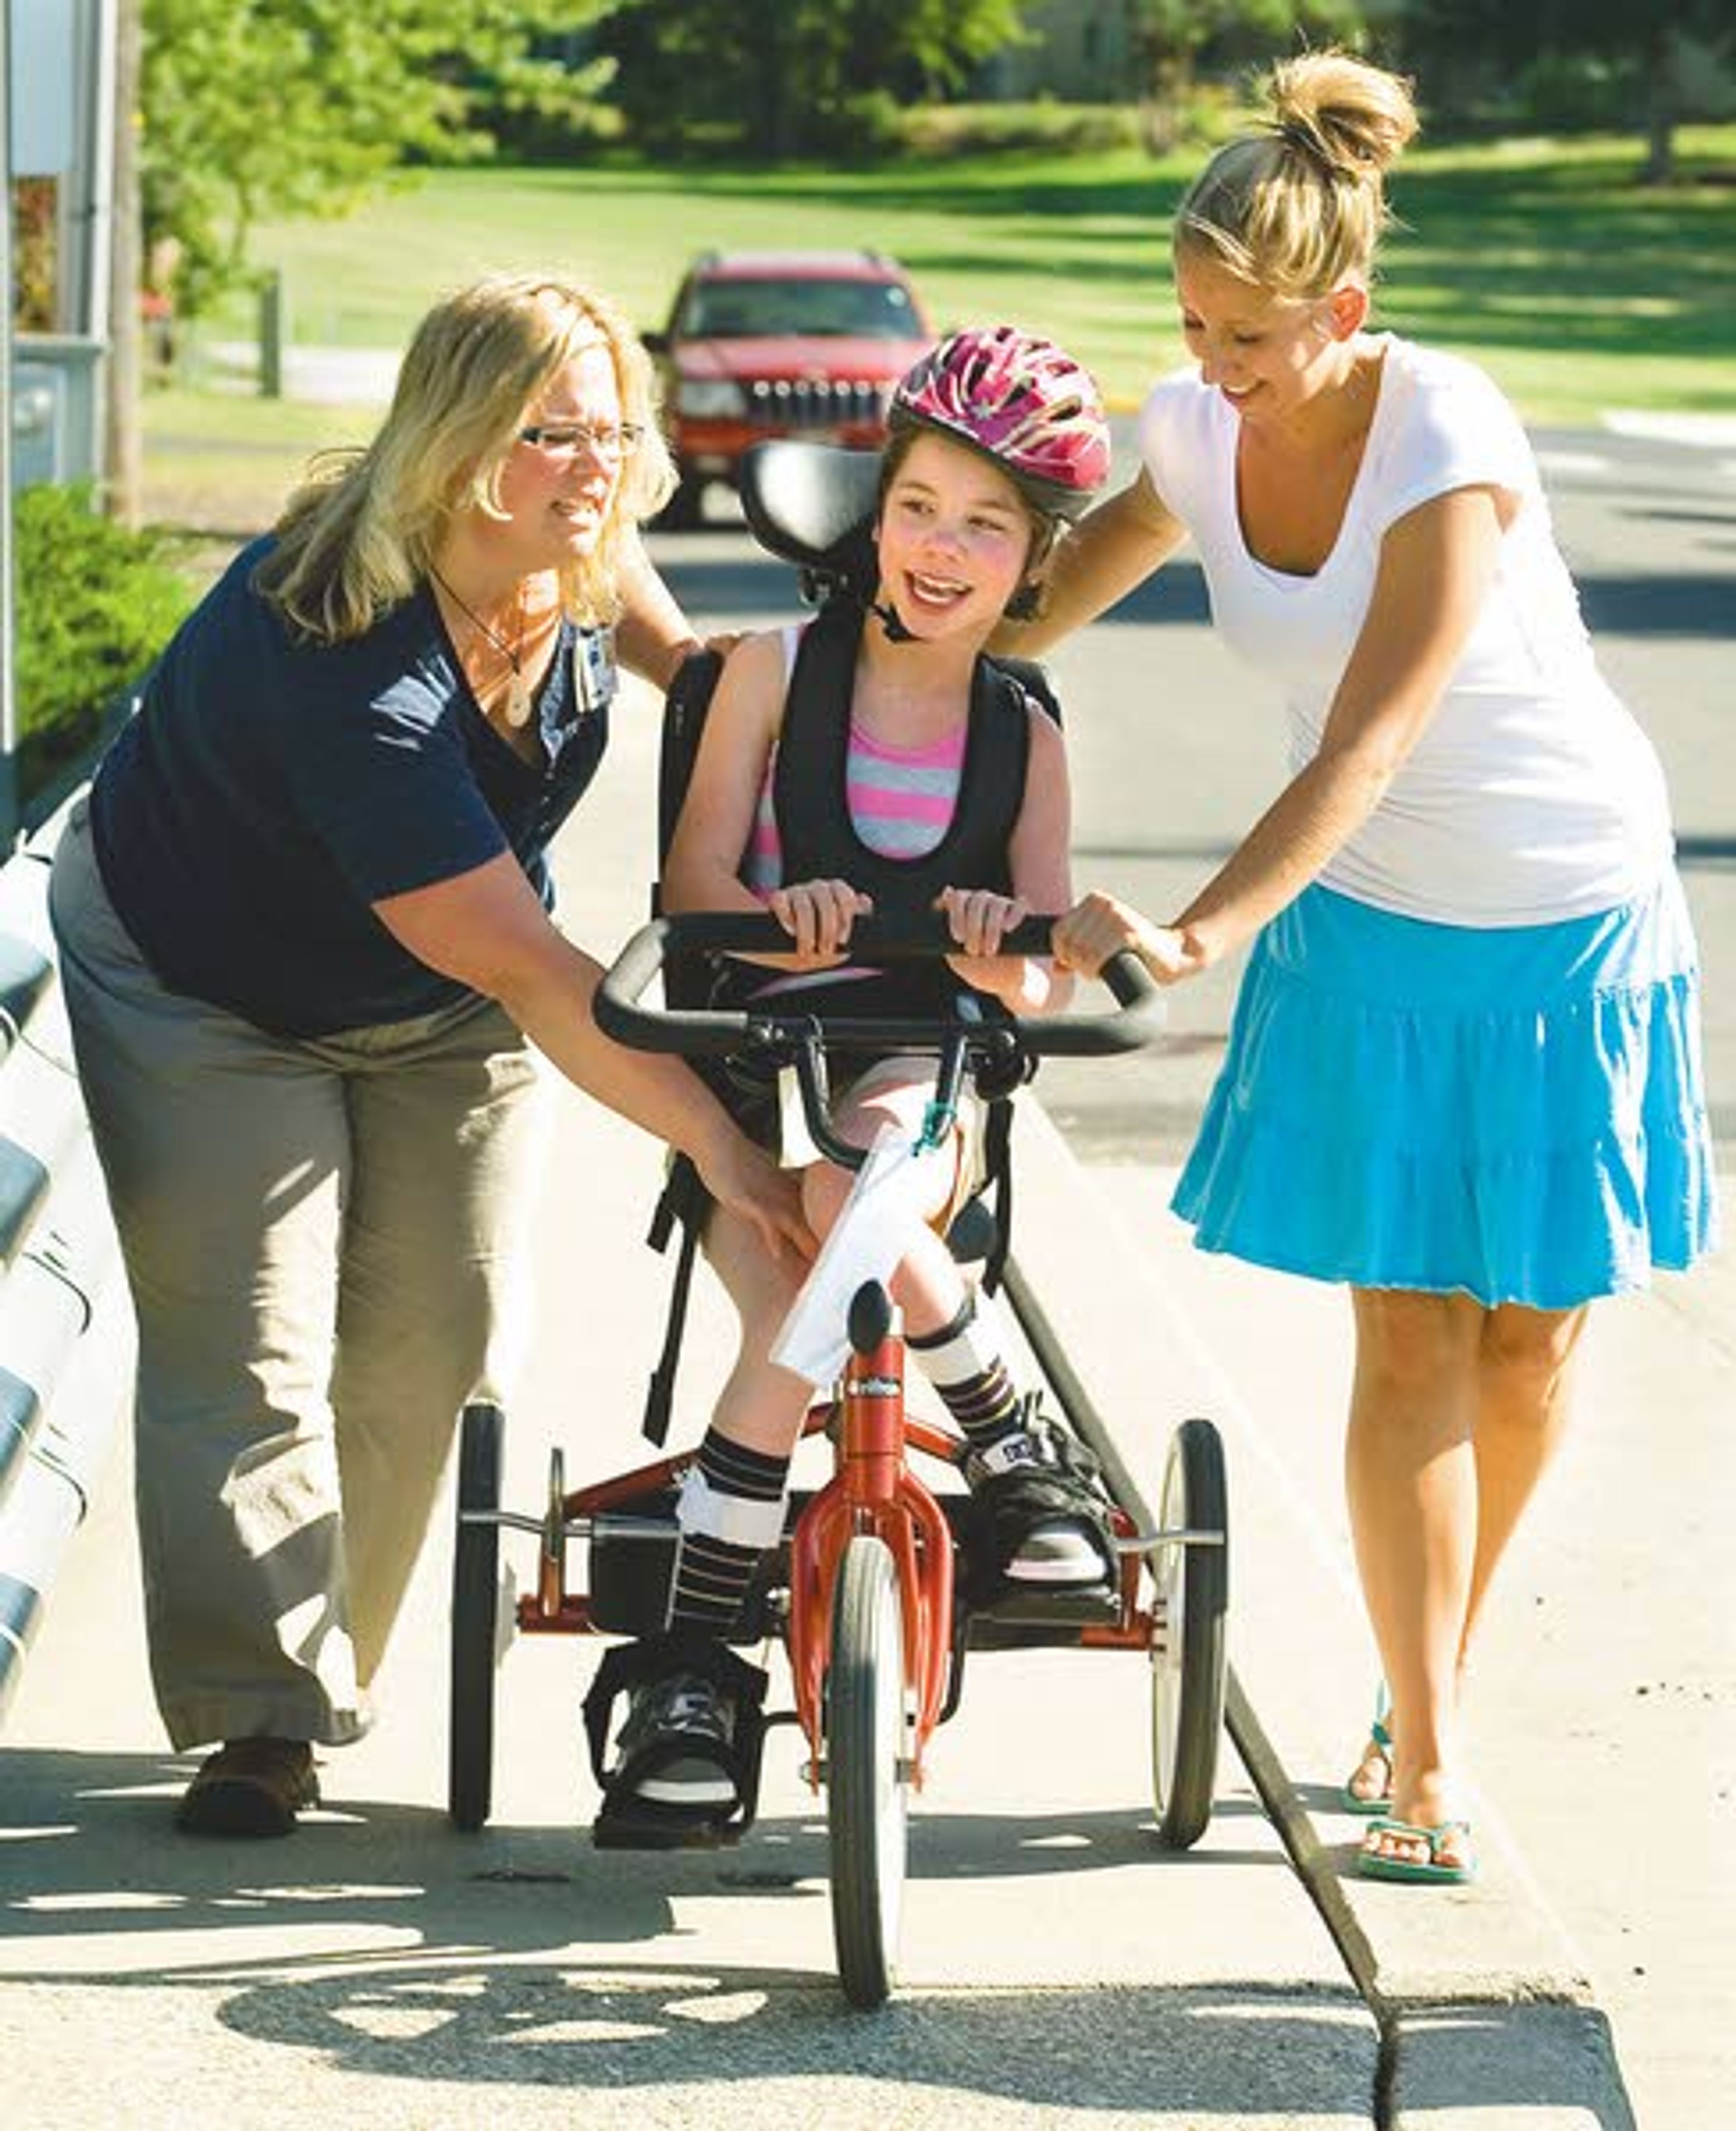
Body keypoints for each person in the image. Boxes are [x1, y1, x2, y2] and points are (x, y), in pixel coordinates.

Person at [1038, 53, 1718, 1886]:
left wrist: (1200, 926)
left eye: (1246, 335)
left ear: (1343, 311)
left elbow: (1372, 738)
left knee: (1532, 1338)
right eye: (1190, 325)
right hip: (1370, 926)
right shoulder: (1193, 432)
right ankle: (1425, 1746)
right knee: (1409, 1328)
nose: (1208, 367)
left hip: (1564, 904)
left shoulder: (1449, 429)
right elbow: (1014, 604)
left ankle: (1443, 1666)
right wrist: (863, 601)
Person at [47, 272, 810, 1839]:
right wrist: (725, 1149)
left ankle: (334, 1660)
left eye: (611, 428)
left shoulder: (573, 552)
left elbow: (680, 650)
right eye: (551, 434)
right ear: (460, 442)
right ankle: (262, 1722)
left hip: (438, 982)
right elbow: (538, 974)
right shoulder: (346, 658)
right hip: (207, 976)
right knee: (244, 1347)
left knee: (438, 1339)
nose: (595, 466)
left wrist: (807, 697)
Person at [589, 327, 1123, 1845]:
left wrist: (1000, 955)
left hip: (921, 1070)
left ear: (1031, 560)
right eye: (922, 506)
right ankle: (1011, 1443)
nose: (944, 548)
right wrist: (779, 912)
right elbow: (695, 876)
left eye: (990, 525)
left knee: (862, 1168)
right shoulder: (768, 672)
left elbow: (1036, 959)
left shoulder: (1020, 727)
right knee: (805, 1257)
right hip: (759, 1058)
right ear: (873, 508)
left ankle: (692, 1665)